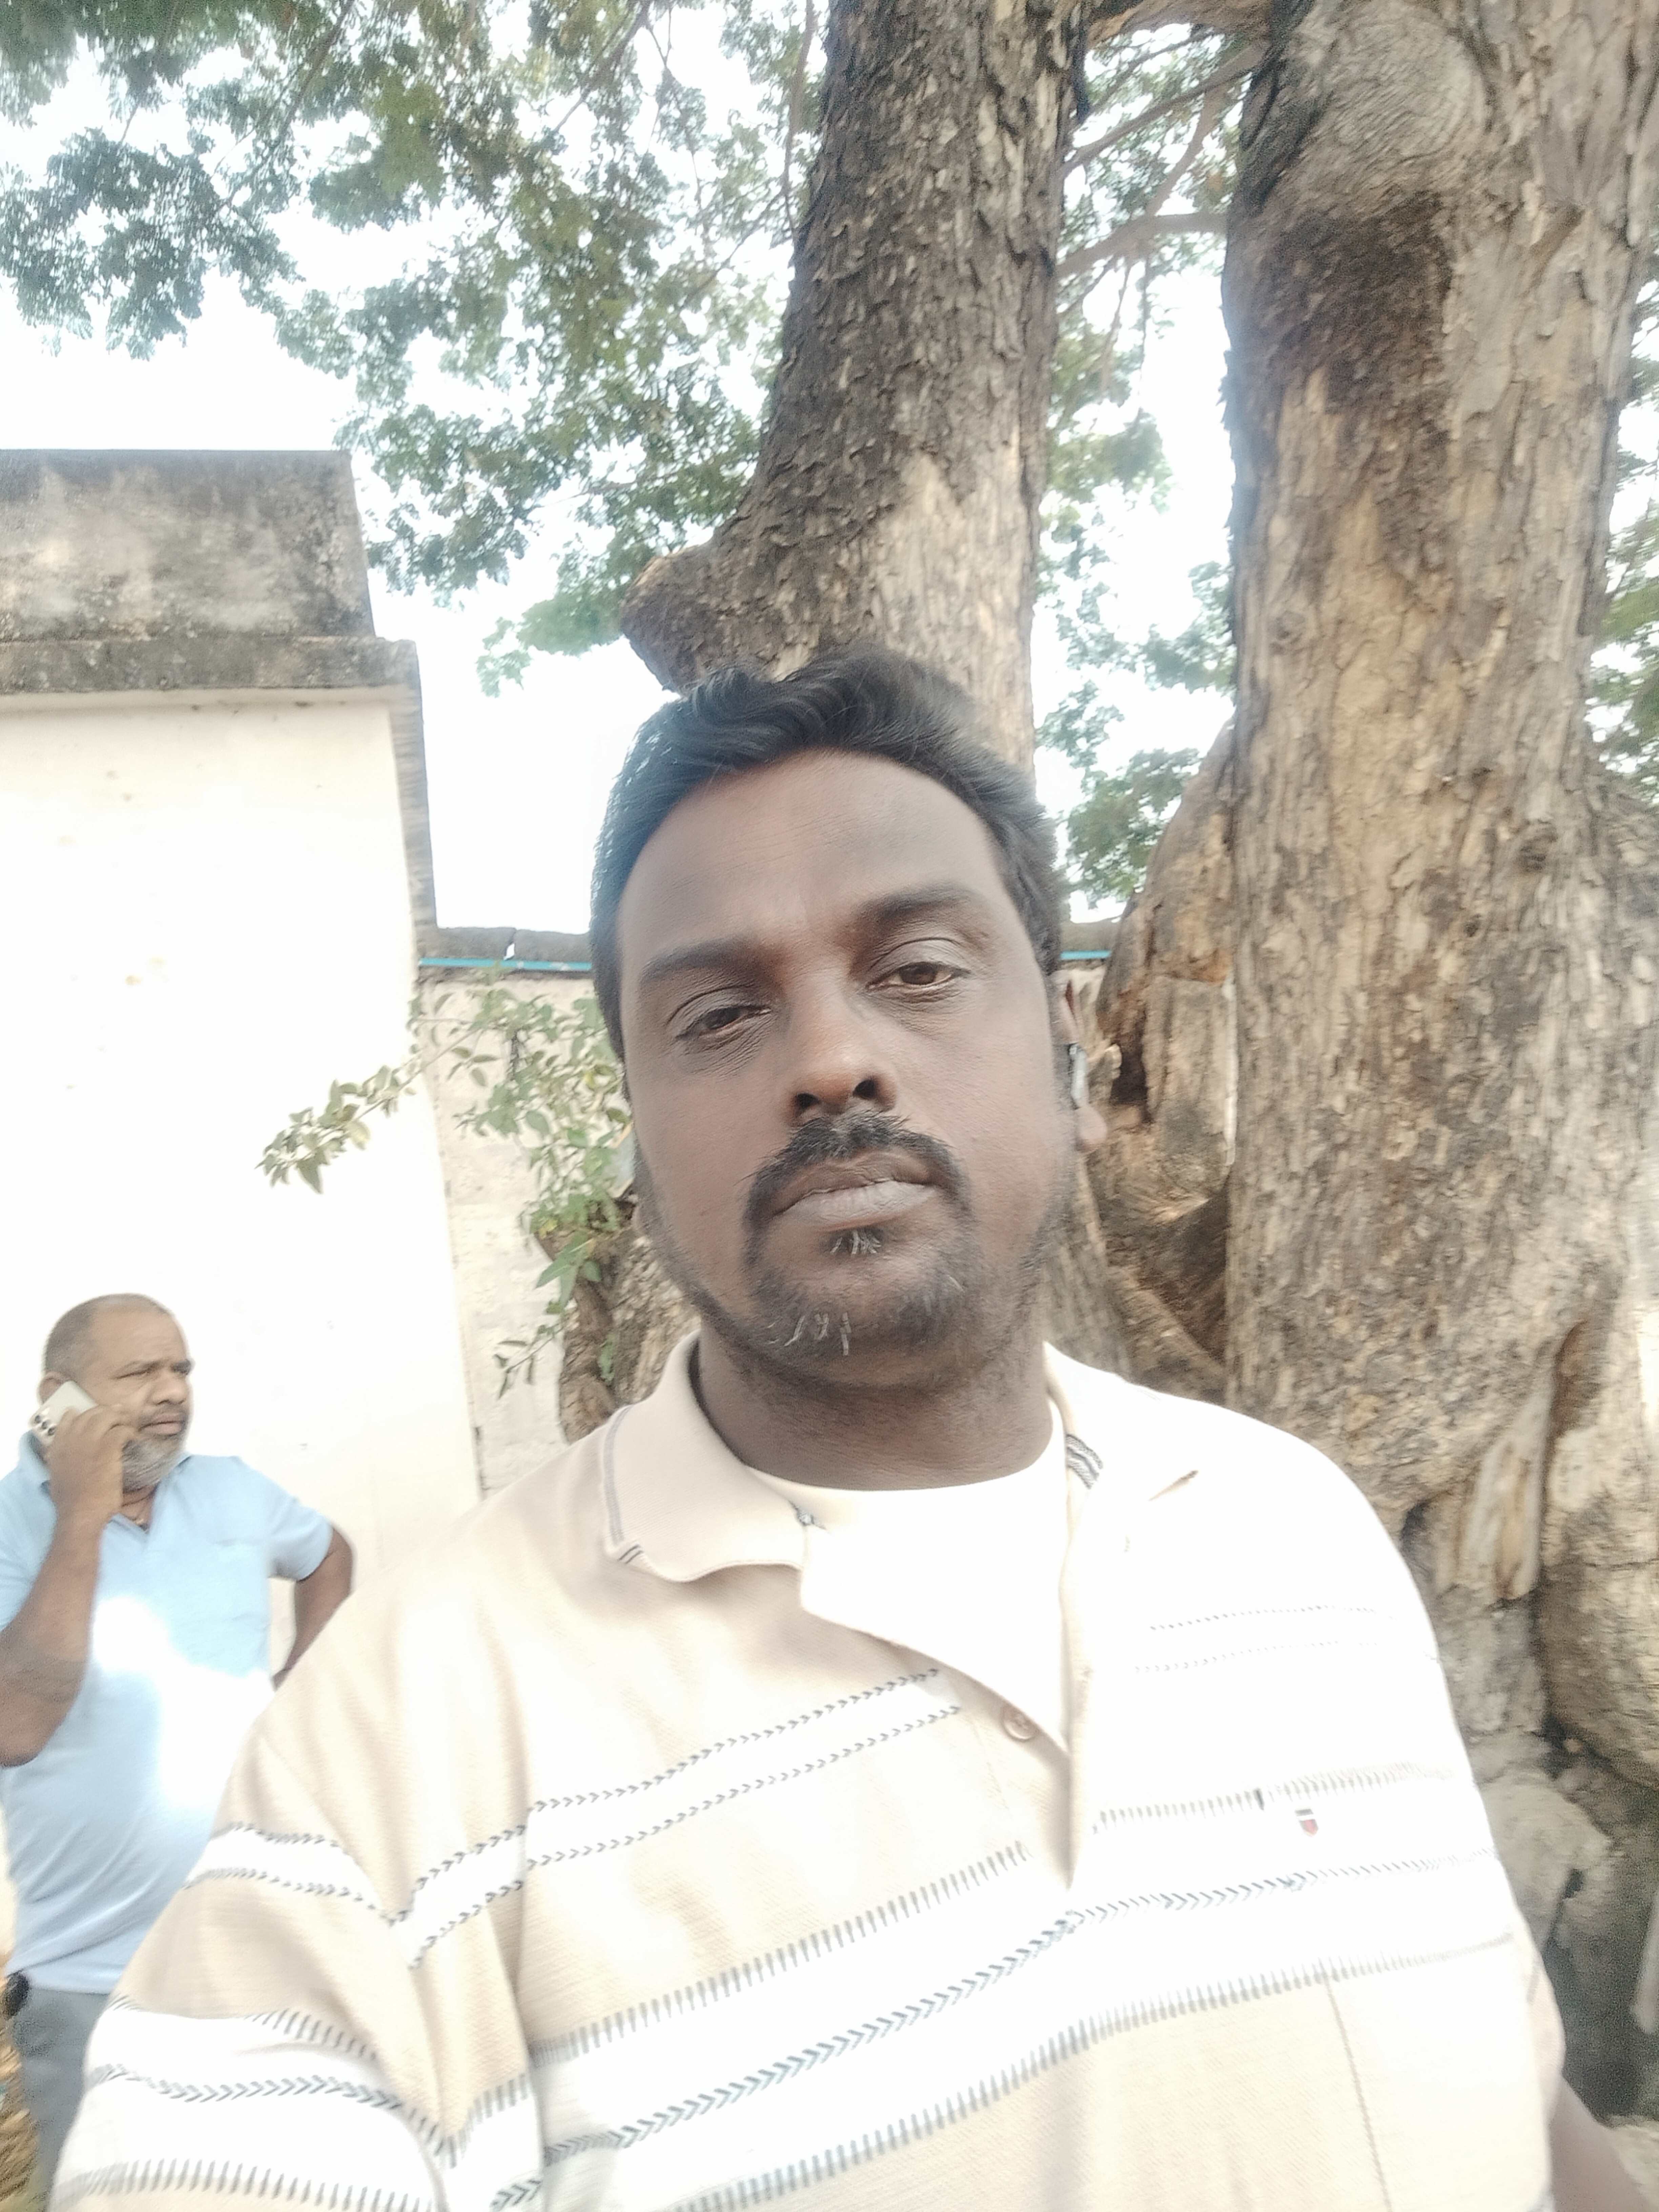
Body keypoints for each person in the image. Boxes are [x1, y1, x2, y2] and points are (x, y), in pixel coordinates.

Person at [61, 653, 1640, 2210]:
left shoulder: (1291, 1523)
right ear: (637, 1130)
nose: (830, 1061)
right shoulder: (399, 1740)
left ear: (1074, 1050)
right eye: (718, 1015)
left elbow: (1512, 2088)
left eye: (920, 971)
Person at [0, 1293, 352, 2193]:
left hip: (259, 1943)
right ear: (57, 1396)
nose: (172, 1393)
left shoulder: (230, 1487)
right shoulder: (7, 1525)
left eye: (181, 1370)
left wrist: (299, 1683)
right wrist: (80, 1517)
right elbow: (16, 1723)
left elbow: (327, 1554)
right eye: (140, 1373)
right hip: (93, 1982)